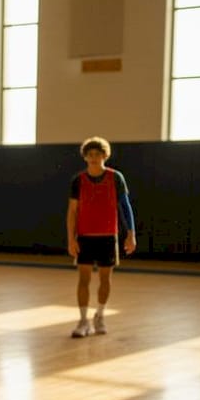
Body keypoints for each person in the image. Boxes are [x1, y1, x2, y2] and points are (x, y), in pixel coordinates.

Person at [66, 136, 136, 338]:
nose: (94, 158)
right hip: (85, 236)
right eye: (90, 155)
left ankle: (100, 315)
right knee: (83, 279)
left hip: (108, 236)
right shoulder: (78, 181)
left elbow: (125, 206)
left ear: (105, 155)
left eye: (97, 154)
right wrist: (71, 238)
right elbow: (72, 211)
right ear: (85, 158)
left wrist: (130, 234)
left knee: (105, 278)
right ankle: (83, 320)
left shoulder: (115, 178)